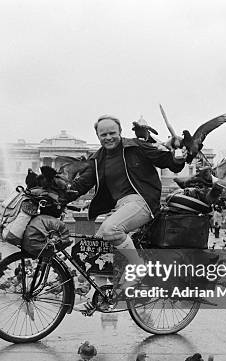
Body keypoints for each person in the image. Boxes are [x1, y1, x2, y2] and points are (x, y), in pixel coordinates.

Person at [67, 115, 187, 314]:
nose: (108, 137)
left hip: (143, 201)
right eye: (103, 134)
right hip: (122, 207)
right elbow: (82, 184)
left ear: (120, 132)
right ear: (97, 136)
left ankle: (138, 267)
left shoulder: (136, 147)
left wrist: (177, 158)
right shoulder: (97, 159)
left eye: (112, 133)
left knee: (110, 228)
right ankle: (99, 297)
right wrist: (60, 194)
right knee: (96, 246)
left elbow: (168, 161)